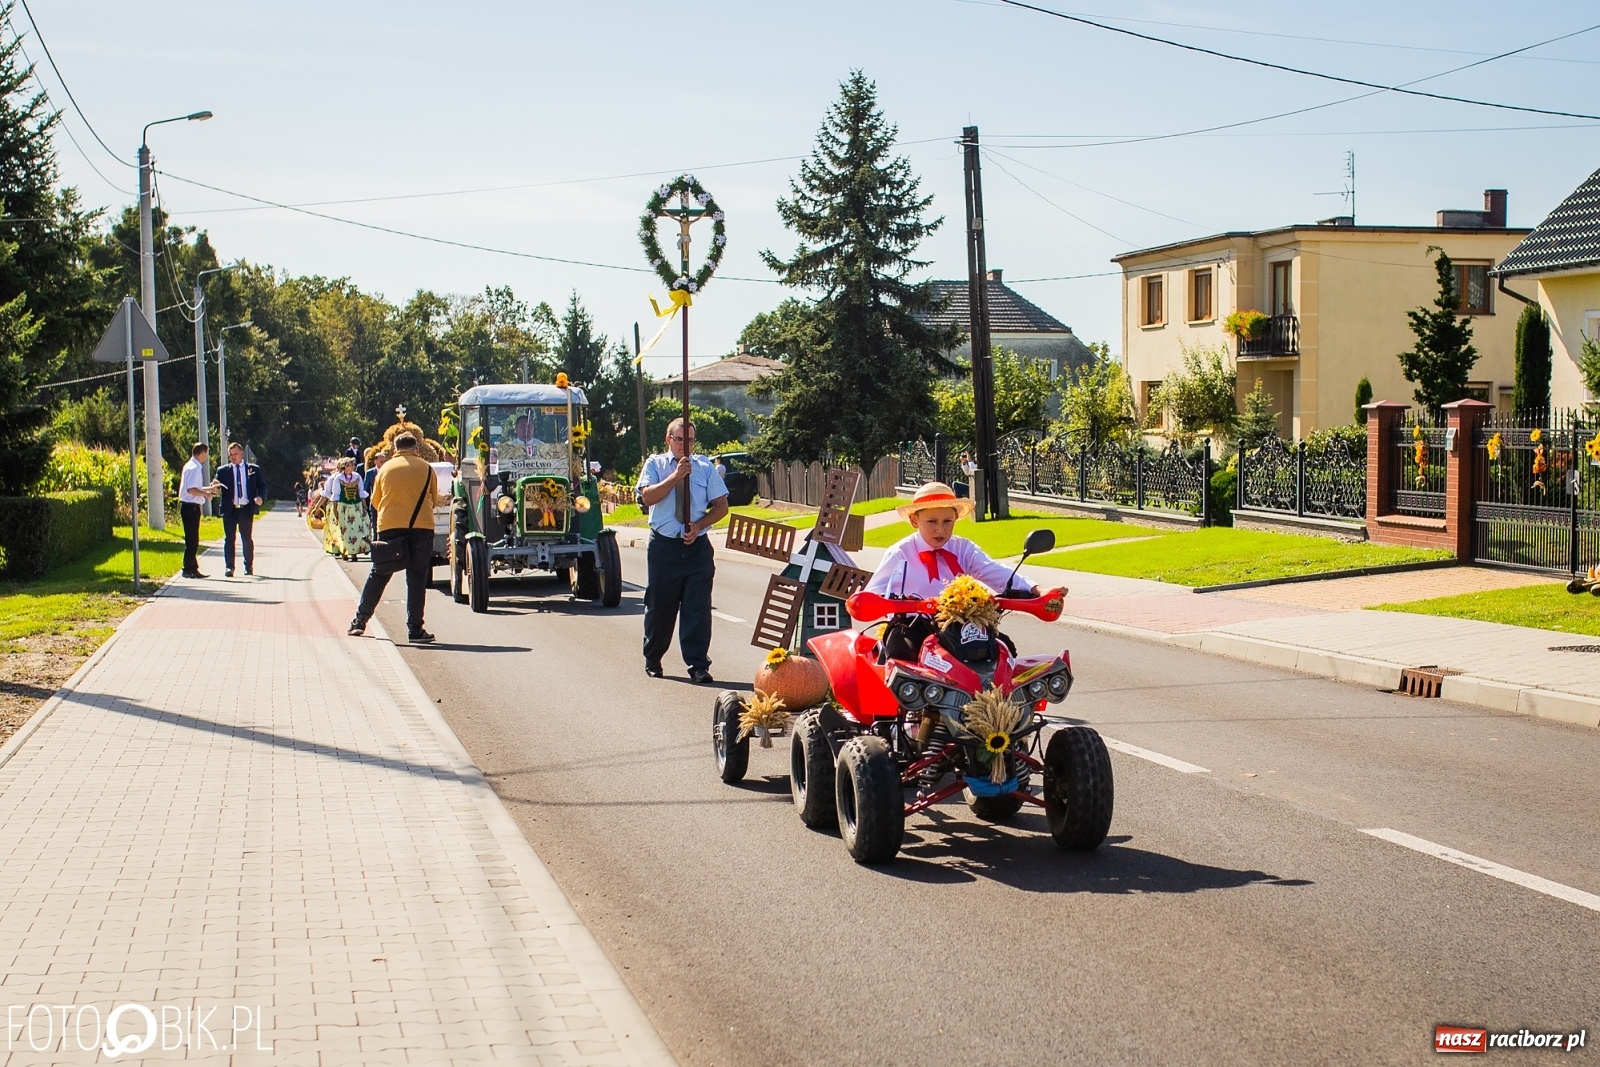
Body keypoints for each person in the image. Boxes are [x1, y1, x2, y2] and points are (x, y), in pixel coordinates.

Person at [865, 481, 1058, 661]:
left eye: (947, 521)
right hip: (913, 625)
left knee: (1003, 650)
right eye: (931, 522)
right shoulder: (900, 552)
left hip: (960, 625)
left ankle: (996, 697)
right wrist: (897, 602)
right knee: (900, 652)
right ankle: (904, 696)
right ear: (915, 521)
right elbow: (873, 594)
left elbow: (994, 570)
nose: (940, 530)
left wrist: (1038, 590)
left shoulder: (963, 548)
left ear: (956, 518)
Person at [635, 418, 728, 684]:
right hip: (664, 546)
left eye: (689, 440)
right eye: (679, 440)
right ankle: (653, 657)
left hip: (696, 547)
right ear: (668, 439)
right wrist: (676, 476)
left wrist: (699, 525)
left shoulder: (705, 467)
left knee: (697, 608)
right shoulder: (655, 465)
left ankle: (698, 664)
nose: (684, 445)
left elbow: (721, 506)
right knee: (660, 607)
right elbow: (647, 497)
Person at [349, 432, 442, 644]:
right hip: (422, 527)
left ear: (394, 450)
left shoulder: (385, 469)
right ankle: (415, 630)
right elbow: (434, 498)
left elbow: (375, 501)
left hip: (389, 526)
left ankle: (359, 621)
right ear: (417, 448)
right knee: (417, 577)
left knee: (379, 573)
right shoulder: (427, 468)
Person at [214, 441, 266, 577]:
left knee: (246, 539)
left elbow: (262, 486)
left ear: (241, 453)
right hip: (230, 509)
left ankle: (248, 567)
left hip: (245, 509)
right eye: (230, 455)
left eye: (235, 454)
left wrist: (260, 497)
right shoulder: (223, 471)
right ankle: (229, 567)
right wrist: (214, 486)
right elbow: (216, 485)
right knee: (229, 539)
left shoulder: (253, 469)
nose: (233, 457)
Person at [177, 443, 219, 578]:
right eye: (205, 454)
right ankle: (188, 568)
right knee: (192, 539)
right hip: (191, 507)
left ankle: (192, 567)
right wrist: (206, 494)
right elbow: (191, 490)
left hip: (189, 506)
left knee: (192, 539)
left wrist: (209, 489)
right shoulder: (195, 468)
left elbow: (195, 488)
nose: (205, 457)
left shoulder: (190, 466)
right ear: (201, 453)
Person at [321, 457, 372, 561]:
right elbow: (336, 495)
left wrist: (364, 506)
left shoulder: (357, 476)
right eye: (349, 464)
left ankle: (355, 553)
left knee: (357, 530)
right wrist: (335, 509)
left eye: (352, 464)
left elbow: (361, 493)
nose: (352, 466)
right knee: (345, 531)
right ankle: (345, 551)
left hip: (355, 506)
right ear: (344, 467)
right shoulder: (338, 478)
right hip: (343, 507)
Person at [362, 450, 388, 528]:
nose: (383, 463)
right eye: (381, 462)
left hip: (386, 501)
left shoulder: (388, 471)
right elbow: (365, 488)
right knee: (374, 523)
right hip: (374, 501)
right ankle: (375, 539)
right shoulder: (369, 473)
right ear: (375, 462)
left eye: (384, 461)